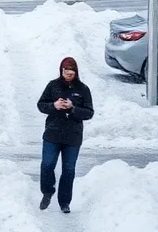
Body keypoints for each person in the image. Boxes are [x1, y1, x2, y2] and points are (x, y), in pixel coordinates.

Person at [36, 57, 94, 214]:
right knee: (47, 164)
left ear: (76, 72)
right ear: (61, 71)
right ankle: (47, 191)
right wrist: (54, 106)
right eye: (66, 73)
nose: (69, 75)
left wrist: (73, 108)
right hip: (52, 133)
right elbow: (41, 105)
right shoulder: (53, 86)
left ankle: (64, 202)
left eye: (71, 73)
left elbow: (89, 113)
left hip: (72, 137)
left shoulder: (83, 89)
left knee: (69, 170)